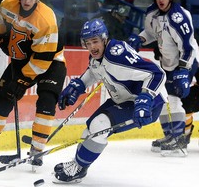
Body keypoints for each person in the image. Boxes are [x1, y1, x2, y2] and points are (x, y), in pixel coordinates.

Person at [53, 17, 168, 183]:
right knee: (91, 129)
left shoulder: (117, 54)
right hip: (124, 99)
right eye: (88, 43)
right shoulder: (96, 58)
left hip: (147, 102)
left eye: (95, 41)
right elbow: (93, 72)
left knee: (100, 125)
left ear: (104, 39)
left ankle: (77, 168)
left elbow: (157, 74)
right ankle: (78, 165)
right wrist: (78, 86)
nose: (92, 47)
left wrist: (145, 98)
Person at [0, 0, 66, 170]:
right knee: (4, 98)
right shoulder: (8, 3)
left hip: (51, 61)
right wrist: (1, 35)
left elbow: (43, 59)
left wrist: (23, 80)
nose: (26, 1)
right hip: (24, 58)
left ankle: (37, 150)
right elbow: (0, 17)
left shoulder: (46, 19)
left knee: (46, 101)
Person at [127, 0, 199, 156]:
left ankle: (179, 138)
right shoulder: (152, 12)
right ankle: (170, 136)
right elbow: (151, 33)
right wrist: (140, 39)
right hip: (167, 65)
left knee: (176, 100)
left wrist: (184, 70)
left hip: (186, 63)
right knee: (164, 99)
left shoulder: (179, 17)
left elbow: (189, 48)